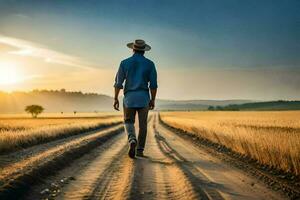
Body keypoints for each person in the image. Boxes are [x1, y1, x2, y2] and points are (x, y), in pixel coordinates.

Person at [113, 39, 158, 158]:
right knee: (143, 125)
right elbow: (153, 85)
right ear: (144, 51)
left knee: (128, 121)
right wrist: (152, 99)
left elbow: (118, 83)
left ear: (133, 49)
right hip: (143, 98)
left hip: (129, 98)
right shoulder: (150, 64)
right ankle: (140, 150)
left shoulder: (124, 63)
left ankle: (132, 139)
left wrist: (115, 98)